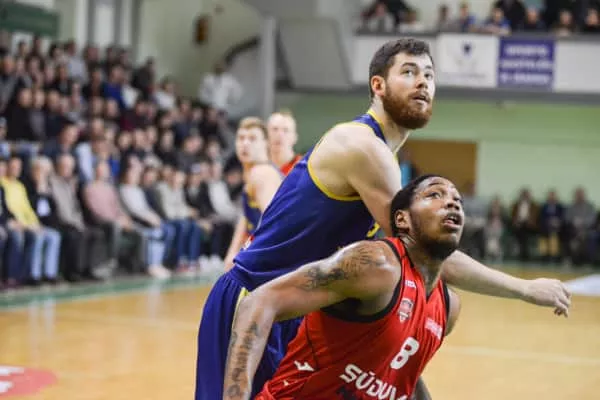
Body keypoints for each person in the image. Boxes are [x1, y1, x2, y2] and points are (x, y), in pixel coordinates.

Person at [195, 38, 571, 399]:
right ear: (378, 85)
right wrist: (524, 289)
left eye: (429, 75)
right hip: (255, 298)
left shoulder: (384, 158)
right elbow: (426, 250)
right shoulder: (363, 146)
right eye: (409, 72)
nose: (423, 82)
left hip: (298, 308)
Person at [223, 175, 571, 400]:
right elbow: (258, 303)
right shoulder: (376, 265)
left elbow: (400, 374)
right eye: (435, 195)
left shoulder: (448, 308)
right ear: (402, 219)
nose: (452, 202)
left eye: (457, 200)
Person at [223, 117, 283, 269]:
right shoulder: (253, 174)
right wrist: (232, 252)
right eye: (241, 138)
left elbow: (274, 222)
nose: (245, 143)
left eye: (252, 138)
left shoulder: (262, 174)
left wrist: (246, 255)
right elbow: (246, 216)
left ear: (266, 143)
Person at [267, 110, 302, 176]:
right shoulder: (257, 166)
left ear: (295, 137)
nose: (279, 134)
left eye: (285, 130)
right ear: (266, 134)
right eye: (275, 129)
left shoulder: (304, 168)